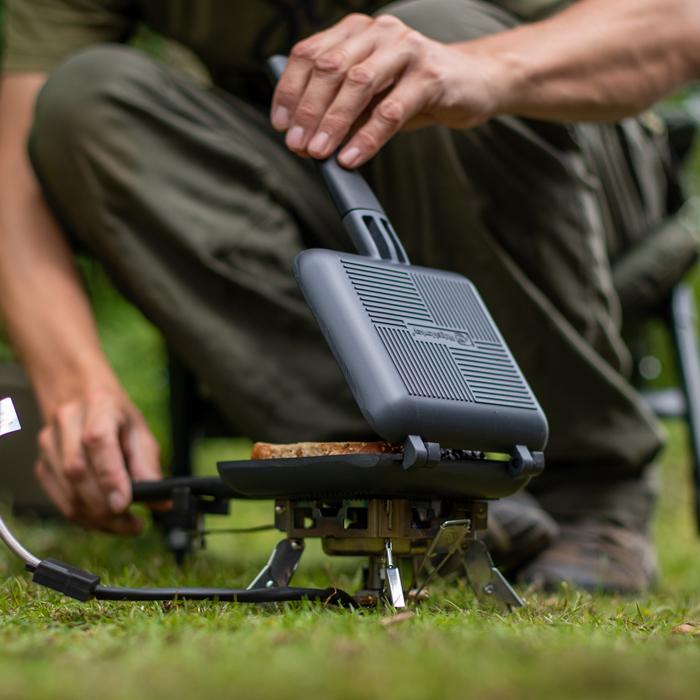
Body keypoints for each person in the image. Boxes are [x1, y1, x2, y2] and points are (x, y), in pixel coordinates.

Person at [1, 0, 698, 590]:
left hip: (572, 172)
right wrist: (73, 380)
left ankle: (586, 493)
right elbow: (16, 143)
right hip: (327, 186)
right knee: (89, 101)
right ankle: (404, 483)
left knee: (431, 30)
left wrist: (478, 68)